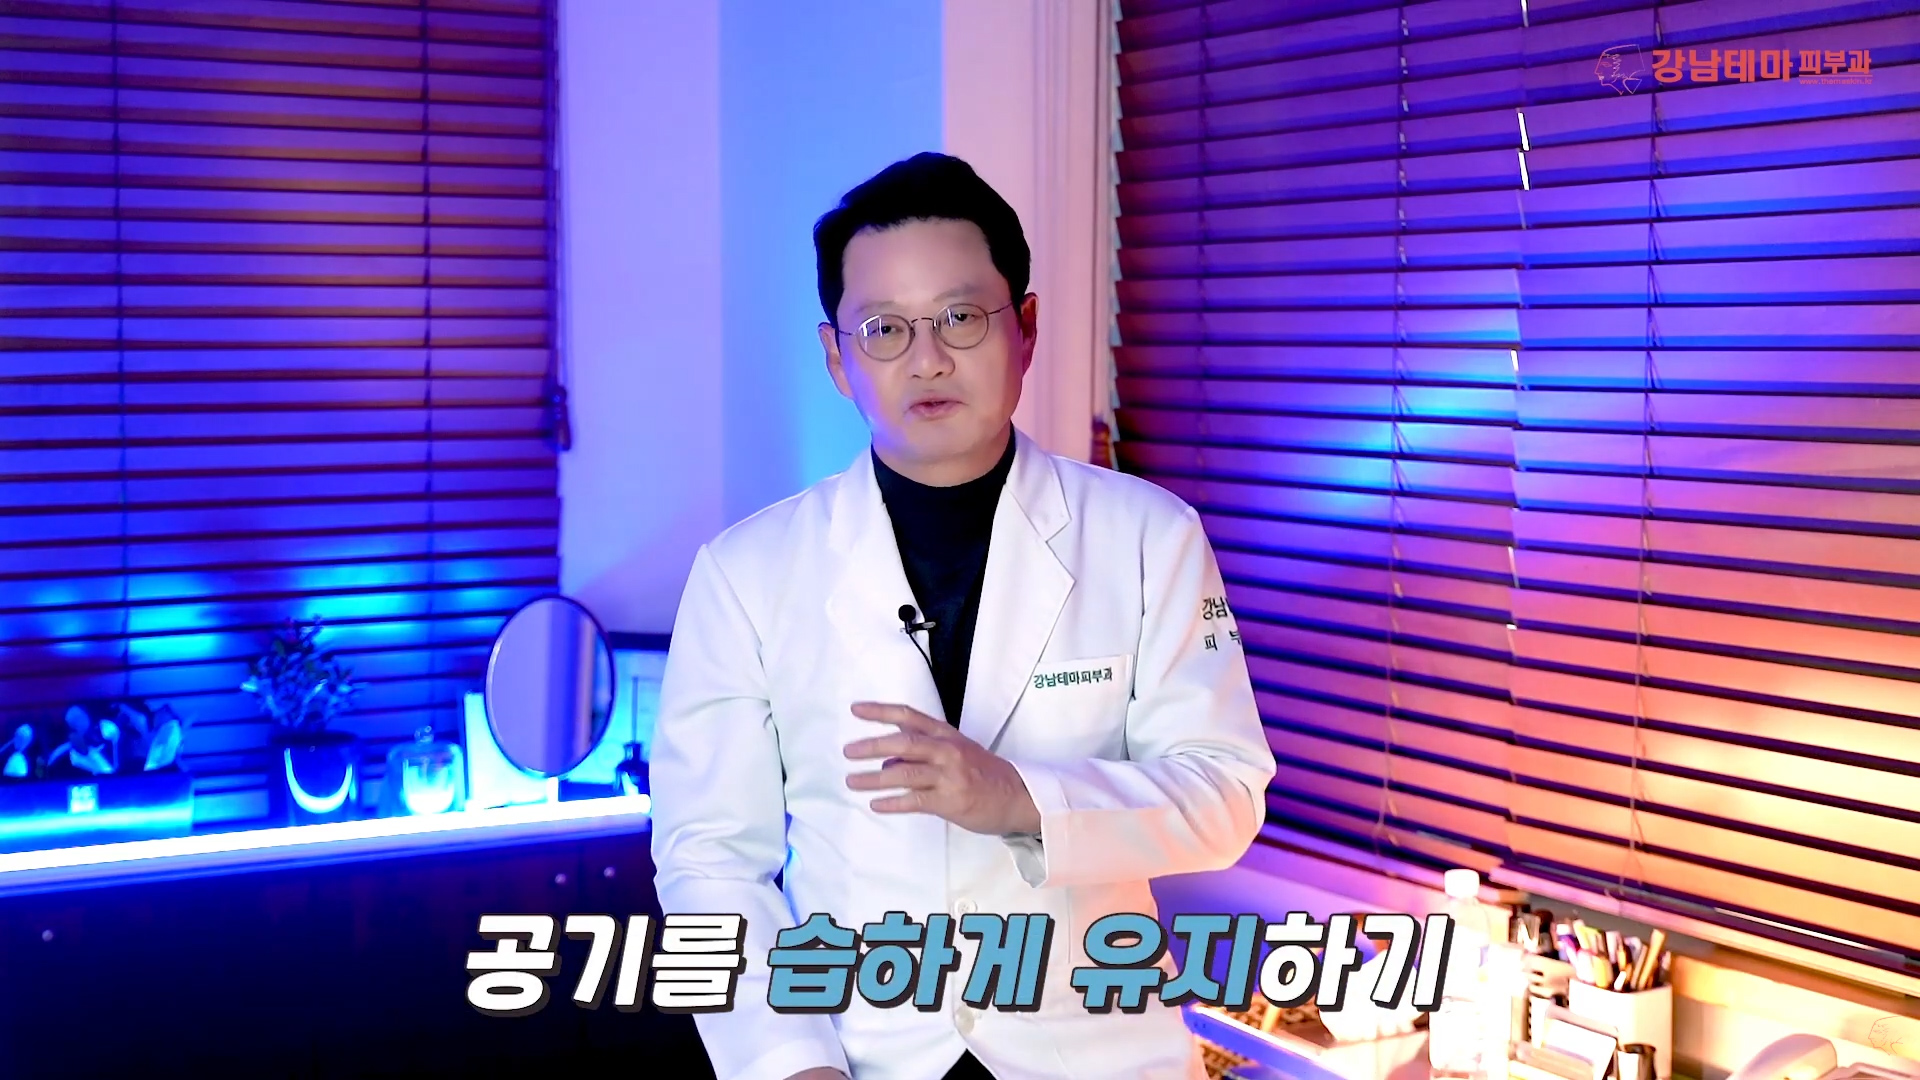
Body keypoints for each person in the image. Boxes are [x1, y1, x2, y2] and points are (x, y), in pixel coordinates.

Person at [649, 153, 1277, 1080]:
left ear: (1025, 328)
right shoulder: (746, 573)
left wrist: (1019, 799)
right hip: (858, 1052)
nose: (928, 358)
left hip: (1094, 1051)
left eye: (961, 317)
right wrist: (788, 1062)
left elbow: (1224, 796)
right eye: (884, 329)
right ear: (837, 358)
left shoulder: (1149, 535)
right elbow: (710, 863)